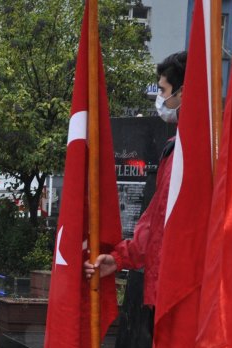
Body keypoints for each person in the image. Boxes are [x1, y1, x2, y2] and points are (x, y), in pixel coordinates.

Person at [83, 51, 187, 307]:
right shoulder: (174, 149)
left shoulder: (206, 150)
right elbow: (156, 222)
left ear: (182, 92)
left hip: (189, 294)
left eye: (163, 91)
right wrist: (119, 258)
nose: (160, 99)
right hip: (167, 292)